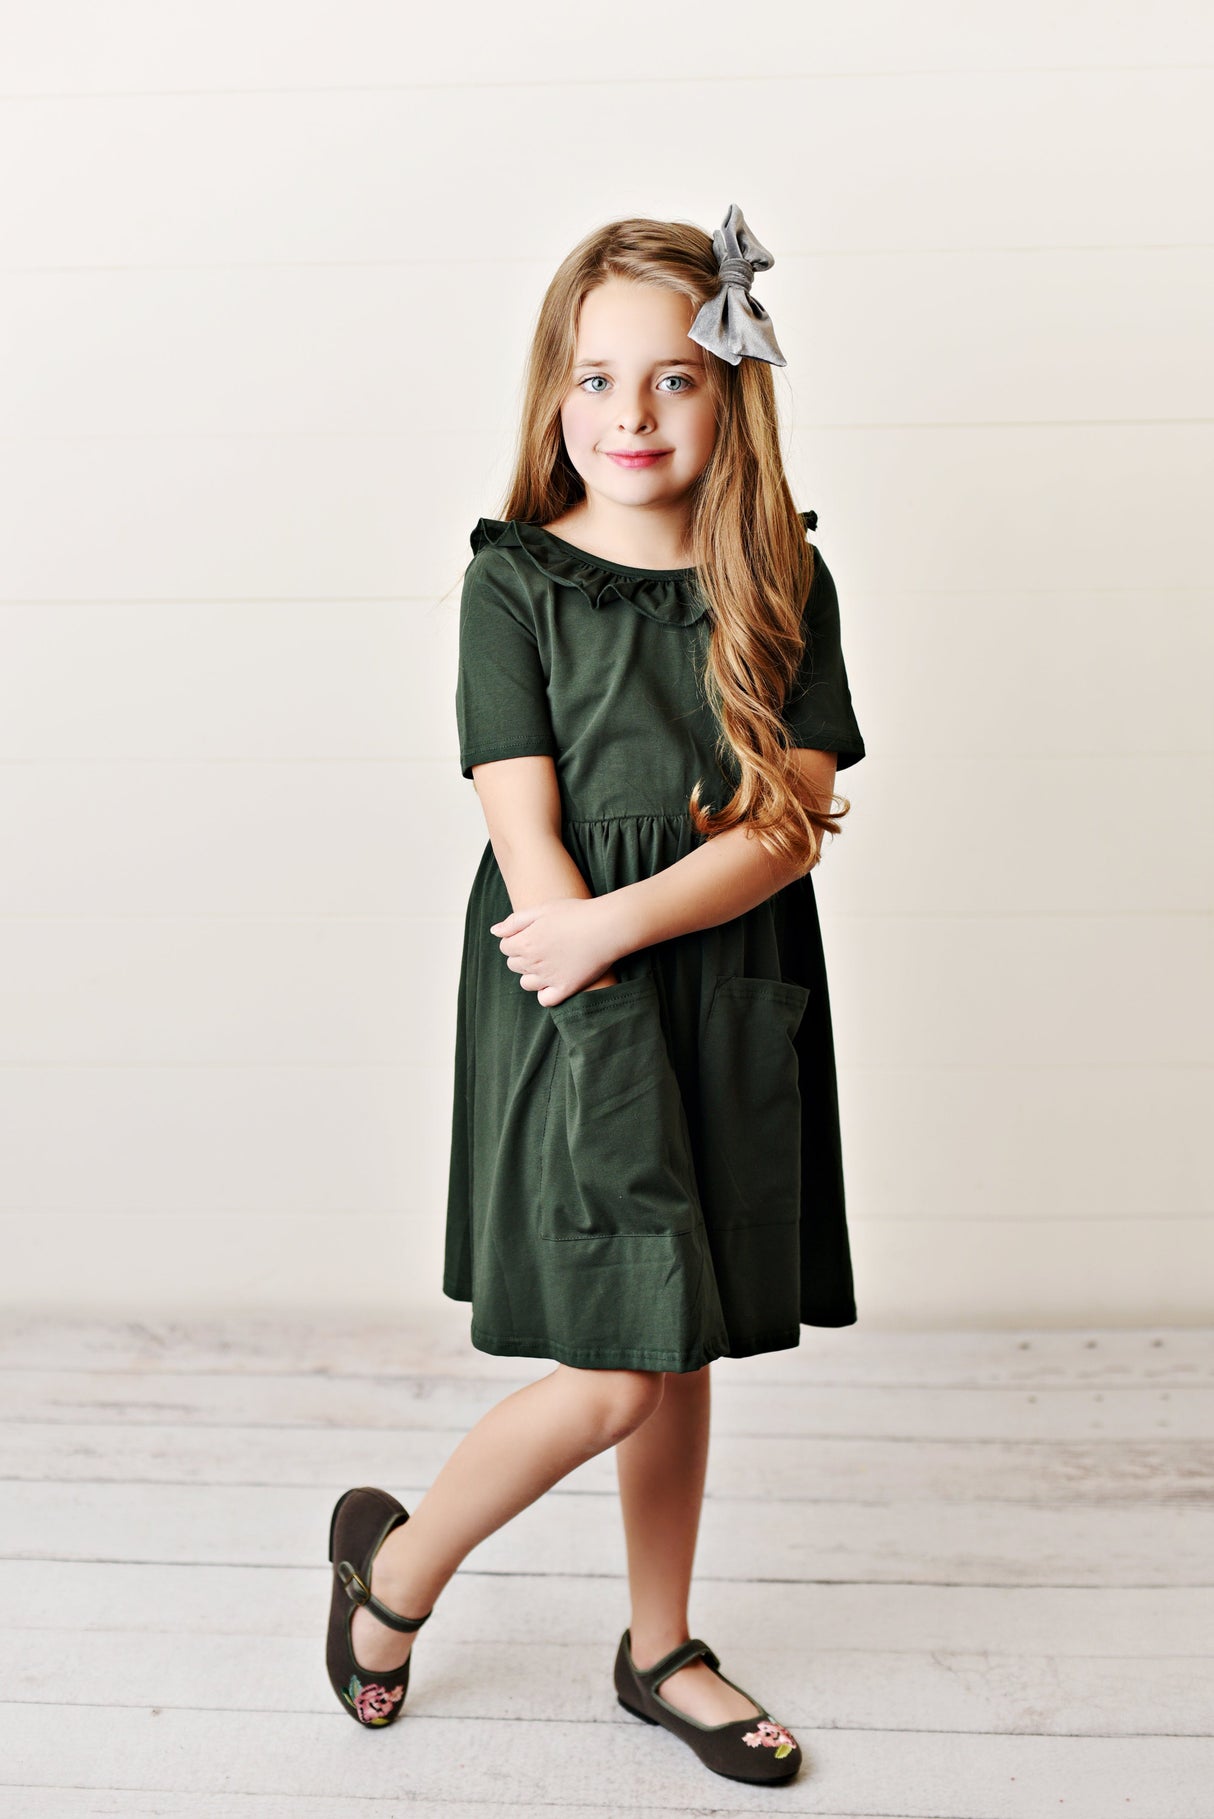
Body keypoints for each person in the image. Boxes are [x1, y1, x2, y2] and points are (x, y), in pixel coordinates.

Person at [325, 204, 866, 1784]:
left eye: (674, 378)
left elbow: (790, 822)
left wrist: (626, 922)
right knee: (620, 1361)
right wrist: (592, 965)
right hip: (567, 991)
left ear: (730, 389)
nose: (631, 414)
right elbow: (522, 821)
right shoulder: (513, 582)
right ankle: (393, 1576)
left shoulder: (783, 575)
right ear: (551, 393)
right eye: (595, 378)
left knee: (676, 1339)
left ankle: (658, 1645)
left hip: (722, 979)